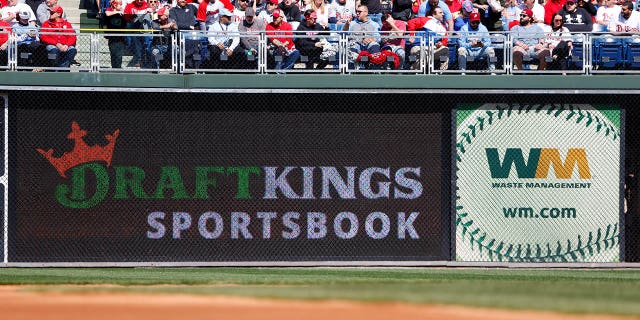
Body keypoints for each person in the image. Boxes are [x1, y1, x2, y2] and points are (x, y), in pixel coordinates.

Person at [103, 0, 126, 68]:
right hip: (112, 38)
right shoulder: (109, 10)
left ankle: (118, 68)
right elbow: (107, 13)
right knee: (113, 54)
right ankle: (114, 67)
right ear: (115, 5)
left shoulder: (122, 13)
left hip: (120, 38)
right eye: (120, 5)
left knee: (119, 54)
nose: (121, 6)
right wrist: (117, 12)